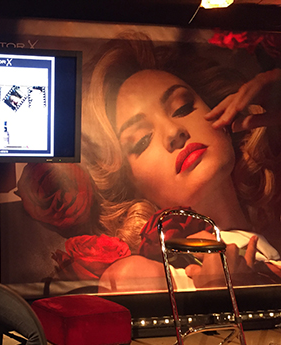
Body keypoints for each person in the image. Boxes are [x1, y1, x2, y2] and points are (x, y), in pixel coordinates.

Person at [81, 32, 281, 292]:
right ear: (130, 186)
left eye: (182, 108)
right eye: (141, 140)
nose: (174, 132)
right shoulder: (138, 278)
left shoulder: (269, 246)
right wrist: (220, 291)